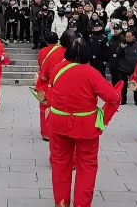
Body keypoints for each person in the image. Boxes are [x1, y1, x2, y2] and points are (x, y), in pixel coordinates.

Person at [47, 37, 121, 207]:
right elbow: (111, 97)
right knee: (87, 165)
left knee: (60, 164)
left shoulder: (58, 68)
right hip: (86, 126)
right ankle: (81, 203)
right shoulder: (91, 73)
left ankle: (61, 202)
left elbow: (51, 93)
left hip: (59, 123)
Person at [34, 32, 64, 141]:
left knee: (44, 106)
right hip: (58, 83)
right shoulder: (63, 51)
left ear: (46, 41)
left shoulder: (42, 51)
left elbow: (40, 64)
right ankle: (56, 131)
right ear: (57, 41)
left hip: (44, 82)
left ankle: (45, 133)